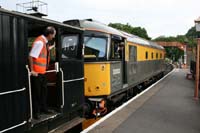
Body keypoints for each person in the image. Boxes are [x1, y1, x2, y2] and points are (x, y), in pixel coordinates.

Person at [29, 26, 56, 119]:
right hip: (37, 73)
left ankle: (44, 108)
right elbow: (31, 56)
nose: (54, 37)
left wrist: (51, 47)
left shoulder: (44, 42)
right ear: (49, 34)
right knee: (37, 94)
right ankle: (36, 113)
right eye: (53, 35)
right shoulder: (40, 42)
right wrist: (32, 70)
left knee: (44, 91)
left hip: (43, 72)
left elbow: (43, 52)